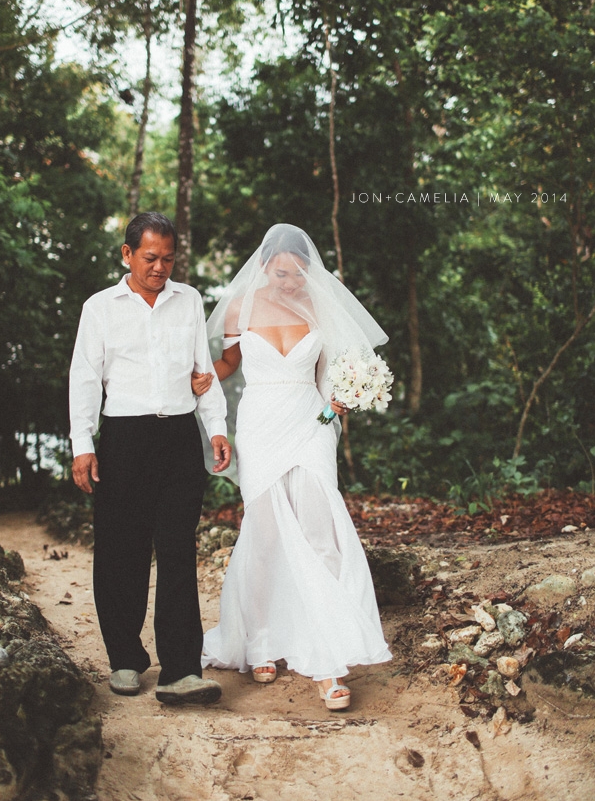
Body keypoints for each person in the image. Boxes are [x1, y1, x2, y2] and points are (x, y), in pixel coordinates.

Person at [192, 224, 392, 709]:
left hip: (310, 424)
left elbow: (335, 370)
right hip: (260, 425)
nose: (290, 282)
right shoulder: (241, 306)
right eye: (281, 273)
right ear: (265, 266)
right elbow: (230, 363)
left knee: (320, 531)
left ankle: (328, 662)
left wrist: (342, 399)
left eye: (299, 274)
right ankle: (259, 641)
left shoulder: (319, 305)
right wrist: (197, 379)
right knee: (263, 535)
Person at [69, 211, 232, 703]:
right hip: (124, 440)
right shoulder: (100, 308)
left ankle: (181, 669)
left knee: (179, 551)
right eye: (150, 258)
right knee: (122, 552)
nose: (160, 267)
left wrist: (217, 428)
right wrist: (83, 445)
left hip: (180, 439)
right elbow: (83, 378)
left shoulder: (189, 301)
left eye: (168, 258)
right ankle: (124, 658)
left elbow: (203, 373)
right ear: (127, 254)